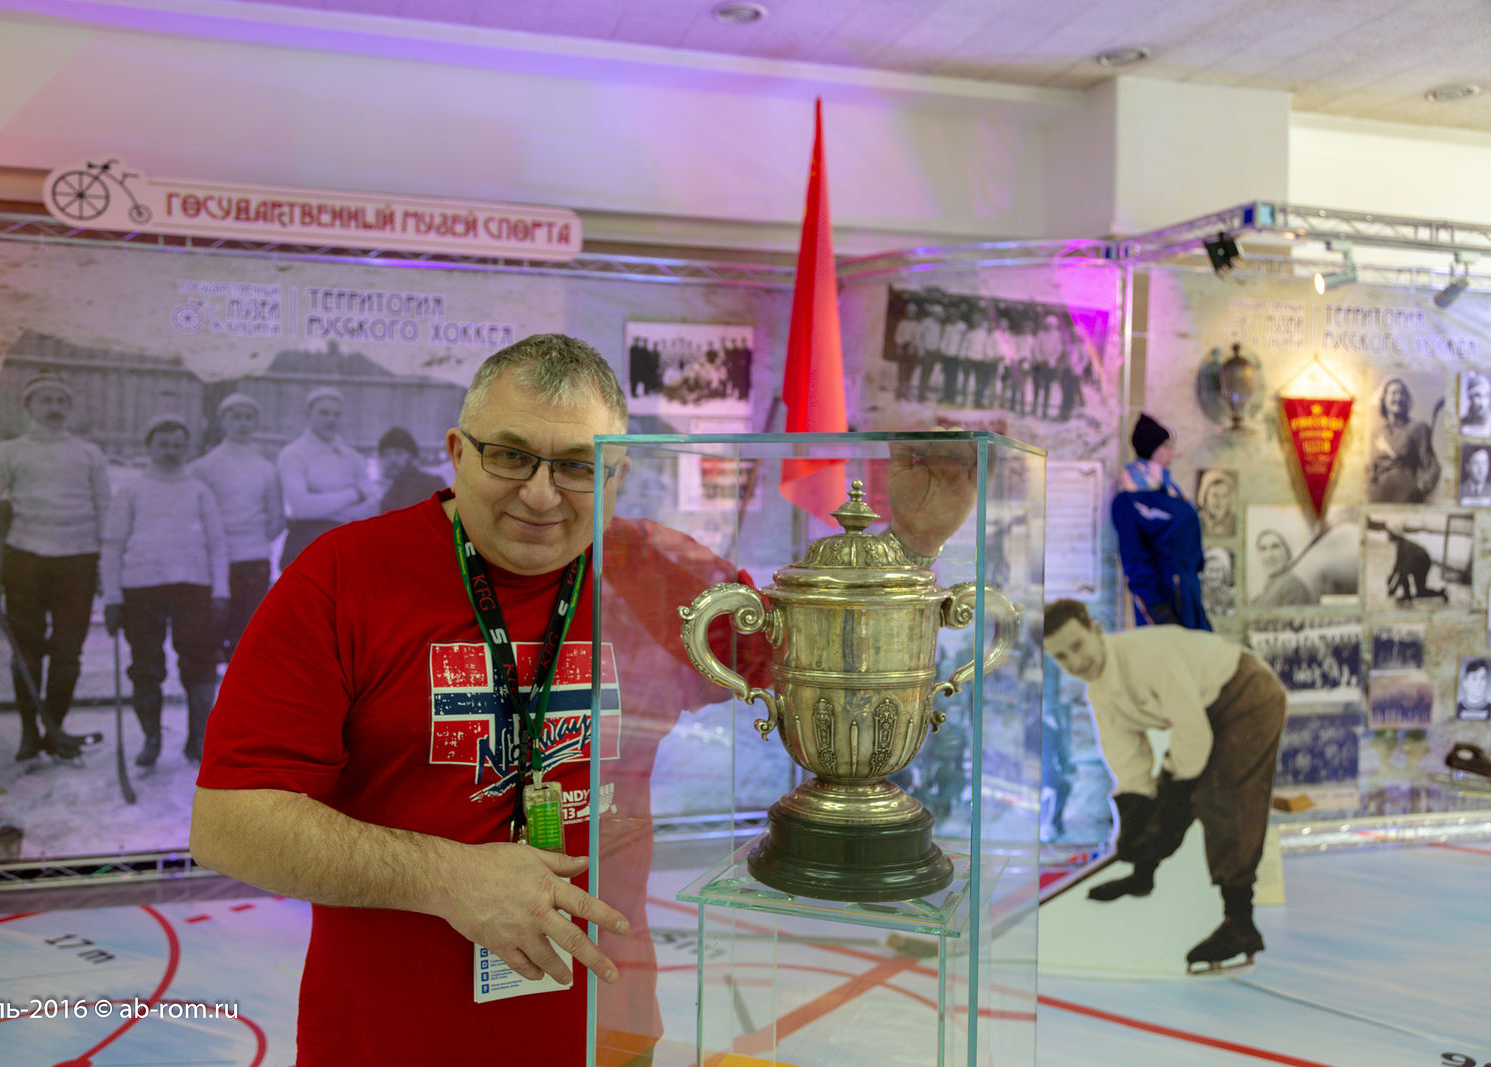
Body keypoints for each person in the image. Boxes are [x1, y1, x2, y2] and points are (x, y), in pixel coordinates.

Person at [191, 333, 977, 1065]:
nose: (541, 495)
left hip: (610, 1029)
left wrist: (907, 549)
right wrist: (445, 877)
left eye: (577, 465)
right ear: (457, 451)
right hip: (393, 1040)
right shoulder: (343, 576)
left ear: (617, 475)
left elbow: (824, 663)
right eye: (511, 455)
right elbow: (229, 823)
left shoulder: (655, 571)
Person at [1042, 598, 1286, 970]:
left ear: (1096, 631)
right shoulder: (1099, 693)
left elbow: (1192, 736)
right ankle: (1143, 877)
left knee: (1222, 800)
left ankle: (1240, 924)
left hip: (1246, 693)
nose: (1075, 662)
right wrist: (1133, 832)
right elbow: (1130, 765)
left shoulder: (1147, 657)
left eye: (1077, 645)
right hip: (1204, 711)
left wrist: (1173, 804)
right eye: (1061, 657)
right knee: (1167, 801)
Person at [0, 372, 110, 761]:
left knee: (68, 654)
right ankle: (30, 733)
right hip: (24, 562)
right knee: (26, 653)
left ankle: (55, 730)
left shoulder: (89, 454)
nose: (54, 408)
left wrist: (107, 567)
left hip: (78, 563)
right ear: (29, 405)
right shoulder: (8, 453)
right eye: (45, 400)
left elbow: (106, 515)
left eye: (61, 401)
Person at [102, 415, 230, 766]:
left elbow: (217, 544)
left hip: (193, 587)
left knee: (199, 663)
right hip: (141, 589)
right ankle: (152, 739)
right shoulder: (131, 491)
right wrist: (112, 598)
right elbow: (112, 546)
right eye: (164, 445)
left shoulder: (199, 491)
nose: (171, 452)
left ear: (186, 449)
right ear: (150, 447)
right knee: (146, 665)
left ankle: (198, 740)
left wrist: (220, 592)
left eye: (178, 445)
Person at [189, 393, 284, 662]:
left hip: (254, 558)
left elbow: (276, 517)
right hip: (217, 561)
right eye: (236, 417)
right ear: (223, 421)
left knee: (248, 635)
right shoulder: (205, 467)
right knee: (213, 634)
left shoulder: (266, 469)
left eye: (248, 418)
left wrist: (254, 541)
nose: (242, 423)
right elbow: (198, 515)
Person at [1110, 413, 1210, 629]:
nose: (1171, 452)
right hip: (1163, 596)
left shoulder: (1173, 493)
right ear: (1151, 447)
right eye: (1165, 446)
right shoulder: (1130, 497)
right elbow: (1134, 557)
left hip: (1188, 591)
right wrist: (1156, 609)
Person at [276, 386, 374, 570]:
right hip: (306, 546)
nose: (331, 420)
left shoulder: (352, 456)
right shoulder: (293, 454)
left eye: (337, 414)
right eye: (324, 413)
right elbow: (302, 508)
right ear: (309, 414)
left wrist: (323, 506)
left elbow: (372, 505)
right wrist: (354, 495)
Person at [1368, 376, 1441, 503]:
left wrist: (1419, 488)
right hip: (1379, 495)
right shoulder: (1378, 432)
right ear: (1384, 399)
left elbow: (1432, 466)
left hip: (1405, 494)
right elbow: (1370, 468)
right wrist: (1369, 489)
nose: (1398, 398)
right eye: (1393, 393)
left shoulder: (1417, 428)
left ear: (1407, 399)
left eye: (1402, 394)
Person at [375, 426, 447, 514]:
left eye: (398, 453)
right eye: (387, 455)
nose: (392, 459)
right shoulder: (389, 495)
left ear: (412, 456)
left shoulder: (432, 484)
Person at [1196, 470, 1236, 537]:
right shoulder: (1197, 520)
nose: (1220, 502)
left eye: (1224, 496)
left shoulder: (1234, 521)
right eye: (1215, 496)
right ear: (1205, 497)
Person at [1461, 371, 1491, 436]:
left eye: (1486, 395)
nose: (1483, 402)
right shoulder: (1461, 424)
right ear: (1470, 398)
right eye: (1478, 396)